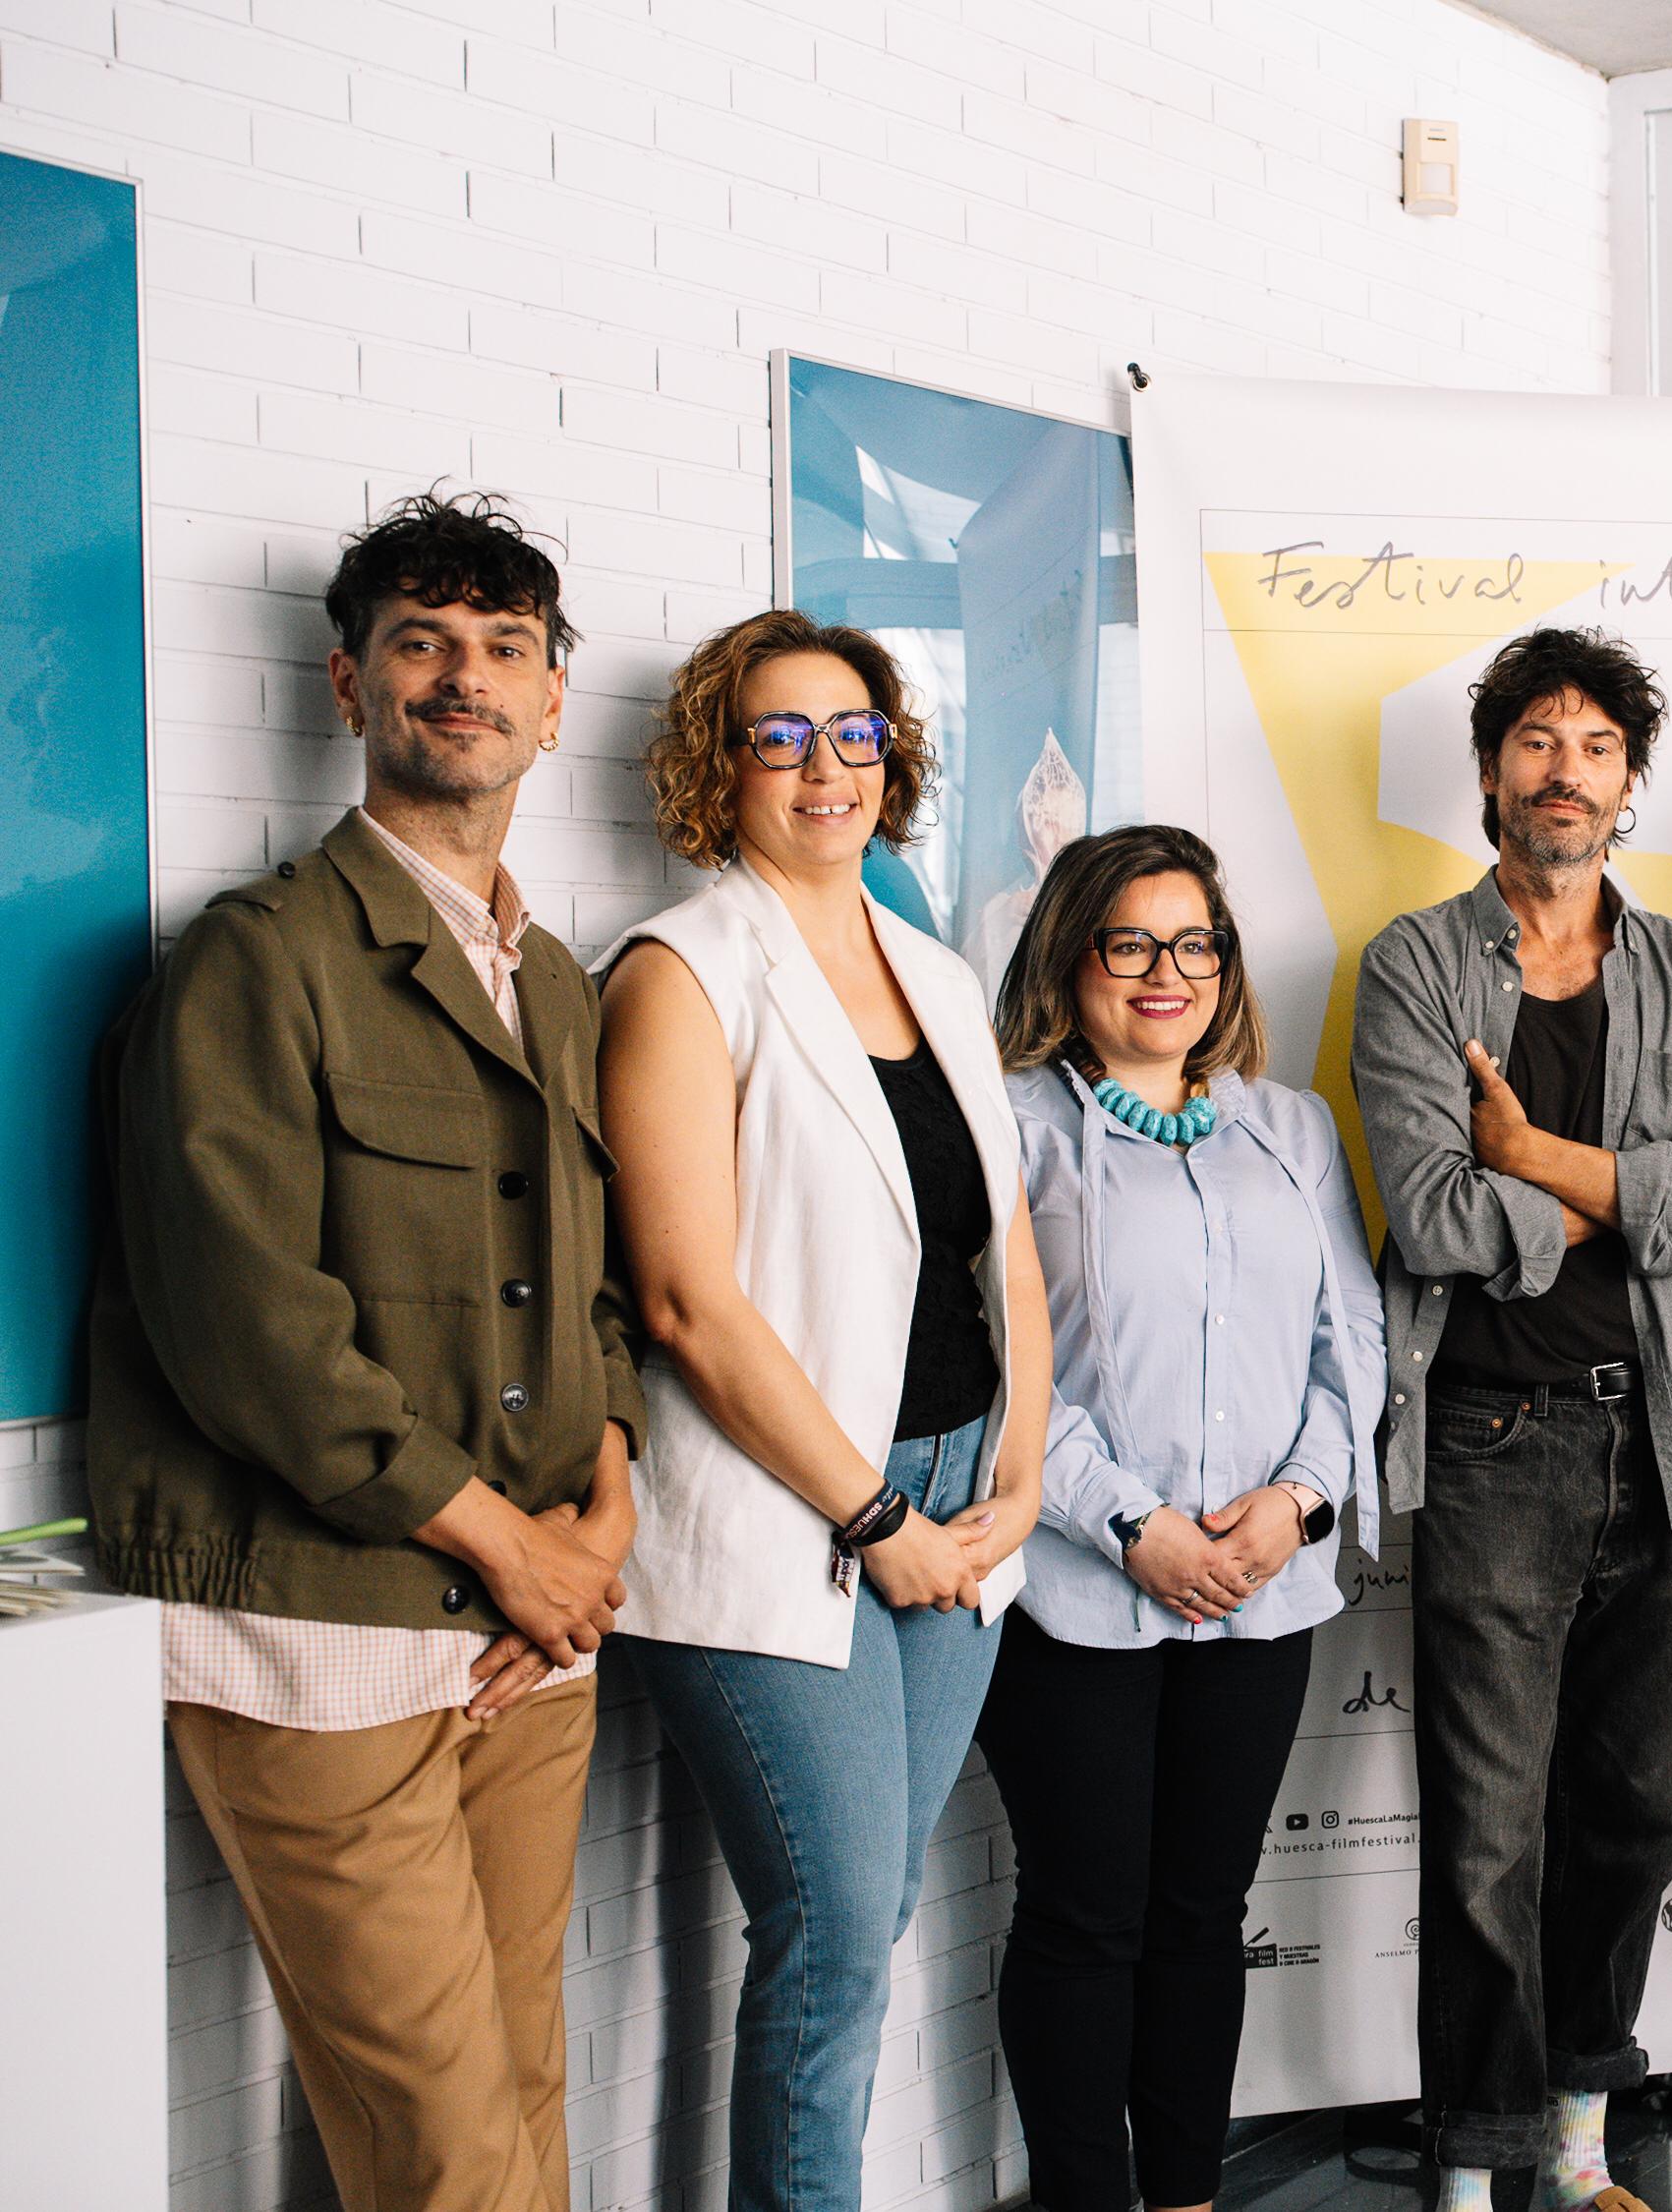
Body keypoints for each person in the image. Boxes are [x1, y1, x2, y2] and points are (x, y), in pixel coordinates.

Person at [87, 491, 644, 2212]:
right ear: (348, 684)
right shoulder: (256, 959)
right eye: (420, 644)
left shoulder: (551, 981)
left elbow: (596, 1297)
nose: (461, 681)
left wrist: (603, 1523)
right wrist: (506, 1543)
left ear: (554, 699)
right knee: (445, 2151)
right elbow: (251, 1328)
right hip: (332, 1629)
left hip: (536, 1628)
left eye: (501, 651)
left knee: (525, 2088)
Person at [597, 608, 1050, 2212]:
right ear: (720, 767)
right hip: (793, 1519)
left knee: (863, 1928)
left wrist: (1022, 1462)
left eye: (853, 732)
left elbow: (1007, 1245)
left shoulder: (933, 973)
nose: (824, 765)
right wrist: (879, 1515)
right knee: (837, 1933)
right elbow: (683, 1300)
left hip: (960, 1505)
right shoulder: (675, 969)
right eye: (779, 734)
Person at [1351, 626, 1672, 2212]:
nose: (1564, 769)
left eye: (1596, 745)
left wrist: (1535, 1156)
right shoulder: (1413, 961)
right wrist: (1614, 1198)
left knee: (1646, 1809)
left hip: (1667, 1440)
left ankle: (1585, 2136)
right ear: (1488, 774)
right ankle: (1477, 2164)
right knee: (1485, 1837)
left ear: (1630, 786)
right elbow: (1430, 1219)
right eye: (1536, 739)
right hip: (1489, 1441)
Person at [975, 825, 1386, 2212]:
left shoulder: (1293, 1125)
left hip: (1265, 1589)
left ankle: (1190, 2199)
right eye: (1132, 942)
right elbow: (1000, 1357)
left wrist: (1297, 1499)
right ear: (1070, 954)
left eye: (1195, 941)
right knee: (1087, 1916)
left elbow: (1355, 1336)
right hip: (1071, 1583)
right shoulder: (1010, 1119)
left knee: (1205, 1913)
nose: (1169, 971)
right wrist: (1133, 1520)